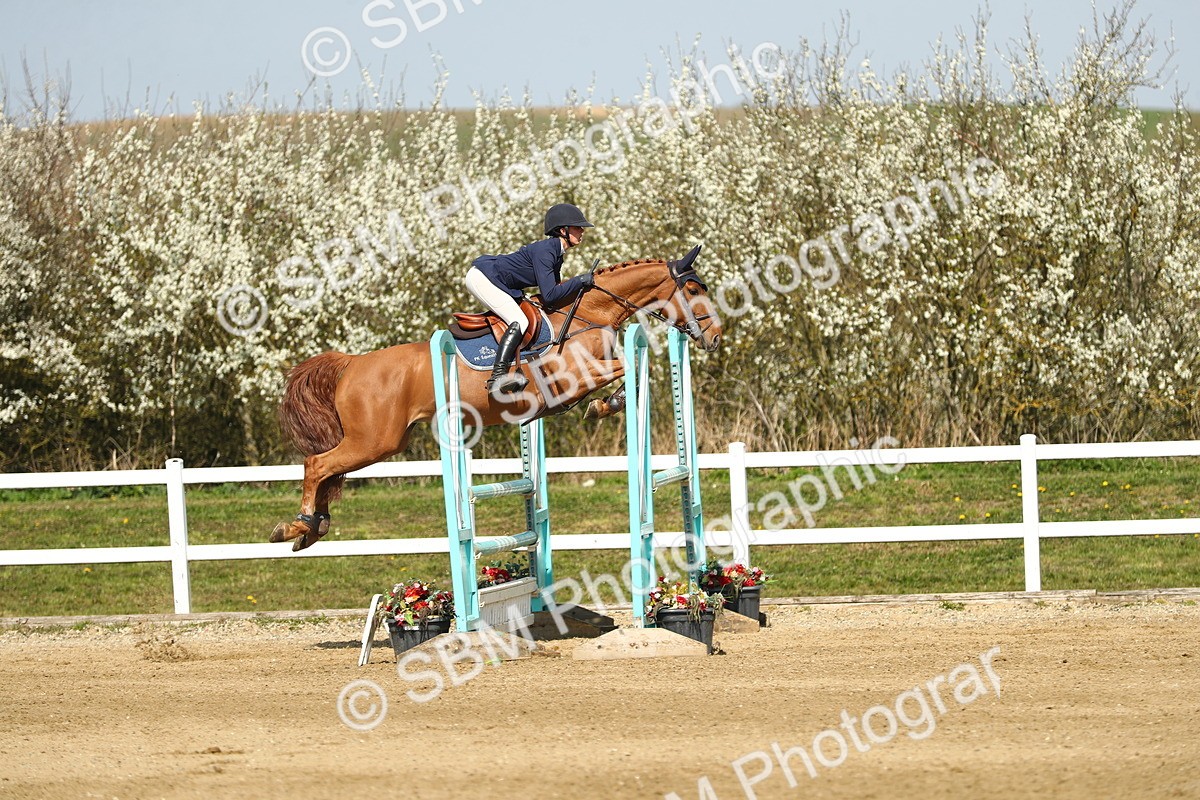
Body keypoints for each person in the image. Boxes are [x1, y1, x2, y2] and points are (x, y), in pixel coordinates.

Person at [466, 203, 596, 394]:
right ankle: (497, 376)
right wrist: (579, 280)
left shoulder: (556, 253)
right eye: (578, 227)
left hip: (497, 281)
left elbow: (555, 293)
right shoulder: (547, 250)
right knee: (519, 320)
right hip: (482, 278)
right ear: (563, 230)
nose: (582, 231)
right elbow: (550, 295)